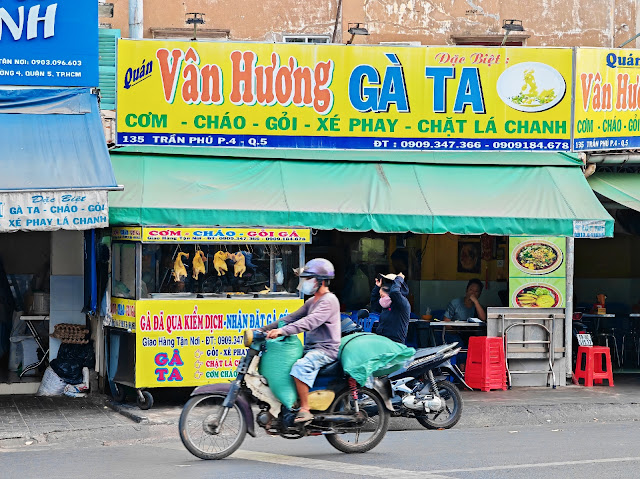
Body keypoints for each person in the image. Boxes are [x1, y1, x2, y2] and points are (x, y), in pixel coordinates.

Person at [262, 258, 341, 423]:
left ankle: (305, 409)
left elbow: (309, 321)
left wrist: (283, 331)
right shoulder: (312, 301)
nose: (304, 282)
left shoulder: (329, 301)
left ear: (320, 281)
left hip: (325, 350)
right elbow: (291, 317)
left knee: (300, 367)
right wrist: (263, 329)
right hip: (312, 348)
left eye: (308, 279)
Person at [371, 273, 411, 344]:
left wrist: (399, 278)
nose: (381, 298)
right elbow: (374, 305)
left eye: (382, 295)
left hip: (395, 343)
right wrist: (377, 287)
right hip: (382, 341)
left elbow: (394, 292)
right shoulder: (386, 304)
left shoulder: (401, 303)